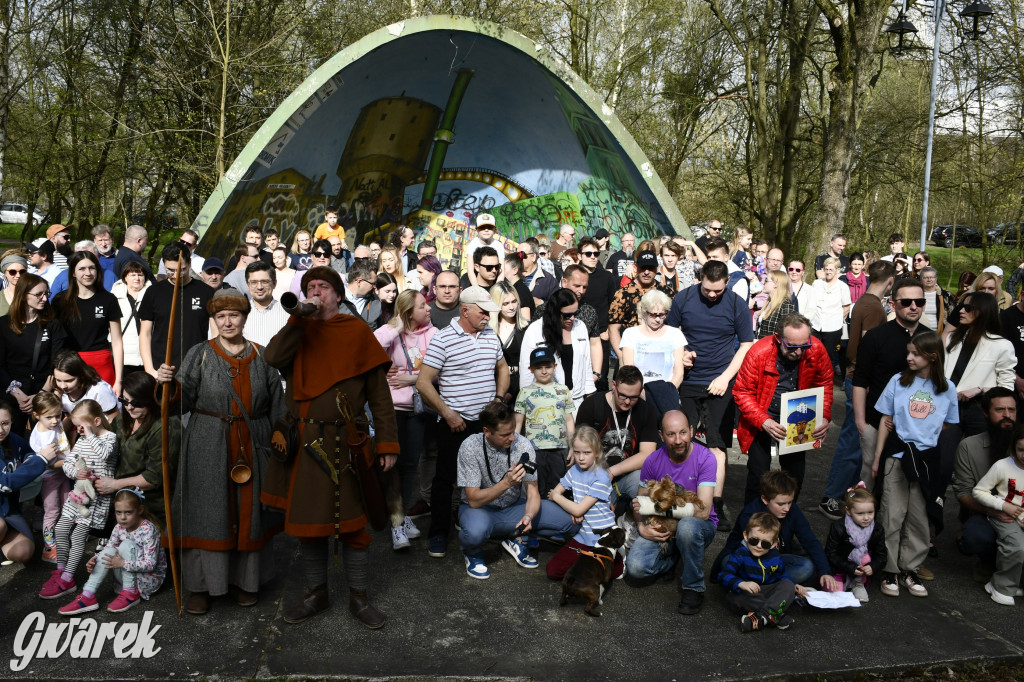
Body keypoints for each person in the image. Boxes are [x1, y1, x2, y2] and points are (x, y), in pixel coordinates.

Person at [156, 288, 285, 615]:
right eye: (221, 317)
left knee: (249, 512)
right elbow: (177, 403)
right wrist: (167, 384)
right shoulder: (199, 353)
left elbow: (278, 408)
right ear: (213, 320)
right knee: (206, 512)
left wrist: (279, 441)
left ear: (245, 317)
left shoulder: (263, 355)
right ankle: (200, 586)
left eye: (234, 315)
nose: (228, 322)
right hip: (207, 444)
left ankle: (246, 582)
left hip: (252, 442)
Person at [416, 286, 509, 559]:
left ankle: (471, 524)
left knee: (481, 478)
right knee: (445, 480)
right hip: (455, 423)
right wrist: (447, 412)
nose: (487, 318)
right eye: (483, 312)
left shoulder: (490, 336)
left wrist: (499, 398)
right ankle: (438, 533)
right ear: (465, 310)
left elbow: (502, 367)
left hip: (485, 425)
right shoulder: (443, 339)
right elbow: (423, 382)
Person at [667, 258, 754, 525]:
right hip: (689, 380)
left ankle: (715, 505)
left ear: (727, 283)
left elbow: (746, 344)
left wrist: (726, 377)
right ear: (699, 280)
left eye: (718, 290)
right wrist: (682, 355)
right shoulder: (683, 299)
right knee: (682, 441)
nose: (713, 294)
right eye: (708, 290)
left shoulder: (737, 304)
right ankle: (681, 499)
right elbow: (670, 335)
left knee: (717, 445)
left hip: (721, 383)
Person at [872, 331, 959, 598]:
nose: (908, 357)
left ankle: (910, 567)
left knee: (920, 517)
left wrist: (925, 435)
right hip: (898, 456)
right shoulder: (898, 381)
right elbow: (885, 421)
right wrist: (878, 458)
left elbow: (946, 423)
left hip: (926, 461)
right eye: (908, 352)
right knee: (892, 513)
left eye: (915, 353)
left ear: (932, 357)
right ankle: (890, 569)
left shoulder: (947, 388)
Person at [457, 401, 578, 579]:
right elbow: (473, 499)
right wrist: (506, 483)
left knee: (571, 522)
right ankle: (473, 553)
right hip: (480, 510)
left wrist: (528, 516)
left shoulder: (522, 444)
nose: (512, 438)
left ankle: (517, 538)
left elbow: (533, 492)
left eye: (513, 431)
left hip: (514, 508)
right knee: (475, 533)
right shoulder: (470, 447)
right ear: (487, 431)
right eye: (505, 434)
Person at [819, 260, 895, 519]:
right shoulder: (873, 306)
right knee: (853, 441)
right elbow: (870, 346)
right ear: (891, 281)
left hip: (856, 376)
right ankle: (831, 495)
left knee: (855, 441)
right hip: (860, 378)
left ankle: (843, 493)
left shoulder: (863, 301)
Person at [624, 410, 718, 615]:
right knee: (636, 569)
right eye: (671, 434)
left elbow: (703, 511)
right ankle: (675, 558)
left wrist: (659, 509)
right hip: (663, 527)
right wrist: (641, 527)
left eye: (683, 432)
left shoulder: (706, 458)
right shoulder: (652, 460)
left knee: (687, 528)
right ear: (661, 435)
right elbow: (640, 501)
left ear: (692, 431)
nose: (678, 440)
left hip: (698, 527)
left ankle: (693, 587)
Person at [734, 313, 833, 503]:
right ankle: (753, 521)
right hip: (762, 416)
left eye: (804, 345)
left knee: (794, 474)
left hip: (797, 415)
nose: (798, 352)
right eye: (792, 346)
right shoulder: (759, 352)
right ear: (778, 338)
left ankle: (787, 519)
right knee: (758, 474)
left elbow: (825, 383)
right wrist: (764, 420)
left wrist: (824, 415)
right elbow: (742, 391)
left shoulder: (816, 349)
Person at [374, 289, 437, 550]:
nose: (429, 308)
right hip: (393, 409)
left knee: (411, 465)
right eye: (423, 306)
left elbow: (441, 369)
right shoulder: (392, 333)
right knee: (393, 465)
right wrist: (396, 326)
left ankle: (404, 517)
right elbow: (370, 346)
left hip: (419, 408)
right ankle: (396, 522)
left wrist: (414, 378)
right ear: (410, 311)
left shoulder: (433, 334)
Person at [38, 399, 119, 600]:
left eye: (82, 425)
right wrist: (75, 472)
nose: (79, 429)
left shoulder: (110, 438)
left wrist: (90, 435)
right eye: (77, 426)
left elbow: (103, 455)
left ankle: (68, 578)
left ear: (97, 421)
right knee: (61, 529)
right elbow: (68, 463)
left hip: (95, 500)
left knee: (77, 537)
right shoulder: (82, 440)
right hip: (77, 496)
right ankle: (61, 569)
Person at [852, 278, 929, 485]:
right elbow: (860, 380)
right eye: (906, 302)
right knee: (871, 483)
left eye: (919, 302)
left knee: (908, 485)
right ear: (893, 305)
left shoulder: (930, 338)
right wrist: (861, 424)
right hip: (876, 423)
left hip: (917, 428)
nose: (914, 306)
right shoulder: (876, 337)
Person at [711, 470, 837, 593]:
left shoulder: (793, 510)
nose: (786, 508)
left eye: (790, 502)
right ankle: (774, 587)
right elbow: (751, 551)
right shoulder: (750, 513)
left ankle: (765, 588)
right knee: (727, 562)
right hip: (746, 559)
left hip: (774, 561)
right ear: (765, 499)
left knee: (807, 566)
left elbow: (810, 540)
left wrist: (825, 572)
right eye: (781, 504)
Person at [58, 487, 167, 615]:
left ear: (140, 510)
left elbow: (150, 564)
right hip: (126, 576)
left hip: (147, 580)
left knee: (127, 544)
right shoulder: (118, 527)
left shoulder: (148, 530)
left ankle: (130, 594)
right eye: (118, 512)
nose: (123, 517)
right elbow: (108, 549)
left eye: (128, 512)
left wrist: (122, 564)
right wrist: (95, 560)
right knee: (109, 550)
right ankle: (87, 595)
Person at [94, 371, 179, 533]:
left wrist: (114, 485)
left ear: (152, 400)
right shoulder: (123, 419)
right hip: (122, 505)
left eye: (137, 402)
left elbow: (154, 478)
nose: (129, 406)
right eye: (124, 401)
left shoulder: (165, 427)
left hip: (152, 509)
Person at [574, 365, 658, 513]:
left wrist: (612, 471)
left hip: (627, 475)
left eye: (633, 397)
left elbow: (647, 454)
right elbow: (580, 453)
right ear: (614, 385)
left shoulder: (646, 410)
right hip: (594, 478)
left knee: (645, 482)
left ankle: (636, 521)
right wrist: (601, 479)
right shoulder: (592, 406)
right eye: (623, 395)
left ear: (641, 390)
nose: (627, 402)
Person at [543, 425, 622, 580]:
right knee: (553, 571)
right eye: (577, 452)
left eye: (587, 453)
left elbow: (558, 495)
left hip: (603, 539)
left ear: (597, 452)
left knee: (593, 577)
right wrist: (571, 508)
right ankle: (586, 562)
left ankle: (618, 561)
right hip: (583, 535)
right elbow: (558, 493)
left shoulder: (601, 477)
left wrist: (561, 499)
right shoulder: (574, 471)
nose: (581, 458)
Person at [0, 273, 68, 436]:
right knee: (11, 442)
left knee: (48, 441)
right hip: (12, 395)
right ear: (23, 296)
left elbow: (57, 363)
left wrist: (42, 394)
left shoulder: (53, 325)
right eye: (39, 294)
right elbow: (0, 364)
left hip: (43, 393)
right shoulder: (3, 324)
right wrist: (18, 394)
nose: (44, 298)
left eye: (46, 294)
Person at [943, 292, 1015, 438]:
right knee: (945, 457)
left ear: (983, 311)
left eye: (968, 308)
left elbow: (1007, 387)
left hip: (979, 409)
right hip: (947, 405)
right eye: (962, 307)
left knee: (978, 456)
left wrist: (980, 390)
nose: (961, 311)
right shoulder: (951, 338)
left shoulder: (1002, 345)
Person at [718, 513, 805, 632]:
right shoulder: (740, 554)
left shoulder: (775, 556)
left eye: (765, 543)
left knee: (788, 585)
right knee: (737, 598)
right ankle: (776, 615)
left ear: (774, 544)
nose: (758, 546)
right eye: (754, 541)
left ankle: (760, 618)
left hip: (766, 591)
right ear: (746, 536)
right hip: (747, 593)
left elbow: (781, 575)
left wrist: (794, 585)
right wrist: (742, 583)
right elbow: (723, 575)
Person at [138, 242, 214, 377]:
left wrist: (209, 364)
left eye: (181, 269)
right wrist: (150, 370)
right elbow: (145, 333)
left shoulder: (206, 292)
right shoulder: (154, 292)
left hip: (197, 369)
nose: (176, 274)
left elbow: (215, 333)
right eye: (170, 270)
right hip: (162, 369)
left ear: (190, 263)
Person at [53, 251, 124, 391]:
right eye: (82, 269)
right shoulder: (60, 301)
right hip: (69, 367)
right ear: (73, 273)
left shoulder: (108, 299)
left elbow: (117, 341)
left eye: (92, 268)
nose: (88, 273)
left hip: (101, 364)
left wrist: (119, 380)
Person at [971, 423, 1024, 606]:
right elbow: (979, 491)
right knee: (1016, 546)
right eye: (1021, 450)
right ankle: (1001, 586)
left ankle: (1016, 582)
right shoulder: (1002, 466)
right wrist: (1002, 505)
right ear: (1014, 447)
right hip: (1006, 516)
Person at [0, 398, 57, 564]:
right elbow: (5, 484)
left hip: (9, 511)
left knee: (24, 552)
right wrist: (40, 461)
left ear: (12, 421)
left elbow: (28, 452)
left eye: (5, 423)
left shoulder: (13, 439)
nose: (1, 429)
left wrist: (31, 459)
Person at [514, 346, 575, 499]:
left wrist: (573, 446)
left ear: (555, 367)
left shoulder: (563, 390)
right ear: (530, 369)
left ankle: (557, 520)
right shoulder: (524, 392)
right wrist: (515, 448)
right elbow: (518, 423)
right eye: (538, 367)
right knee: (536, 489)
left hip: (560, 449)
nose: (544, 371)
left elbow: (569, 420)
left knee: (559, 488)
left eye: (548, 366)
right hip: (534, 450)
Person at [518, 288, 594, 411]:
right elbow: (526, 370)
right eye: (567, 315)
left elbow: (587, 363)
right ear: (555, 312)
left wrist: (590, 396)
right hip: (546, 402)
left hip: (577, 400)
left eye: (576, 313)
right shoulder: (535, 330)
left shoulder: (581, 327)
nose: (572, 318)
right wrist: (527, 404)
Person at [824, 484, 886, 603]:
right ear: (848, 510)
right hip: (838, 568)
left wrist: (872, 566)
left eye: (870, 512)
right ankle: (838, 580)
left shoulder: (877, 529)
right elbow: (831, 553)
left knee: (865, 557)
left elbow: (881, 555)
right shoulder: (839, 527)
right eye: (860, 514)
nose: (866, 518)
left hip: (861, 570)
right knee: (835, 595)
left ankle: (859, 584)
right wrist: (850, 567)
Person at [30, 392, 72, 563]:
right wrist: (72, 461)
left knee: (67, 506)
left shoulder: (52, 426)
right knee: (52, 511)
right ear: (36, 415)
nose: (55, 421)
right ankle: (49, 548)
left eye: (58, 415)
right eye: (49, 417)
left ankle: (62, 540)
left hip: (63, 474)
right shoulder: (43, 437)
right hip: (50, 477)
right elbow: (48, 463)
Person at [608, 251, 674, 354]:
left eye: (650, 268)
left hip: (660, 351)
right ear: (636, 268)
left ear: (656, 268)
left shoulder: (667, 292)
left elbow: (674, 325)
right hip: (631, 352)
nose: (646, 272)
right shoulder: (622, 294)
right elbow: (613, 328)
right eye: (643, 267)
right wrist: (622, 357)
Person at [619, 289, 686, 387]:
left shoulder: (675, 334)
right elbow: (629, 371)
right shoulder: (630, 334)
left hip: (667, 393)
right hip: (639, 393)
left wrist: (668, 392)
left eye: (662, 314)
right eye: (653, 315)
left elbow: (679, 373)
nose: (658, 319)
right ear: (644, 311)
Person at [810, 257, 851, 377]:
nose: (828, 272)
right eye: (826, 269)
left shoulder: (842, 287)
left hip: (833, 327)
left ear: (837, 270)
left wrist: (836, 318)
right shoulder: (817, 283)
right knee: (812, 355)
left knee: (828, 357)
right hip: (816, 325)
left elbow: (846, 307)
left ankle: (826, 383)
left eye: (831, 269)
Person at [490, 281, 529, 402]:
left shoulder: (526, 328)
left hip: (520, 387)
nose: (511, 307)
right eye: (505, 303)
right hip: (492, 387)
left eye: (514, 301)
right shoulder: (487, 330)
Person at [53, 350, 119, 421]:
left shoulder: (99, 390)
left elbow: (115, 419)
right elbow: (70, 419)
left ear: (81, 375)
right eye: (58, 380)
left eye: (69, 381)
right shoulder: (61, 393)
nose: (63, 386)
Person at [111, 261, 150, 375]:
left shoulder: (153, 296)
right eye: (133, 275)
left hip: (147, 355)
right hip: (123, 355)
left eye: (140, 275)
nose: (137, 278)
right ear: (125, 277)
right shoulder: (114, 297)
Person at [243, 261, 290, 347]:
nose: (259, 287)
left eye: (265, 282)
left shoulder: (288, 313)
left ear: (274, 284)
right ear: (247, 285)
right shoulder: (239, 314)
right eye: (254, 282)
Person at [338, 261, 383, 330]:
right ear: (359, 282)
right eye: (373, 283)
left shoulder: (375, 301)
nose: (375, 287)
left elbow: (379, 331)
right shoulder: (335, 298)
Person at [465, 214, 505, 286]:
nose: (486, 230)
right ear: (476, 230)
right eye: (482, 227)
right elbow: (470, 271)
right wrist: (477, 289)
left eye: (490, 227)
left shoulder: (498, 245)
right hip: (474, 280)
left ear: (495, 230)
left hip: (493, 280)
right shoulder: (472, 244)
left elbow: (501, 271)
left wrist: (497, 289)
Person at [755, 270, 795, 339]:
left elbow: (786, 335)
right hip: (760, 346)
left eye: (766, 280)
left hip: (773, 348)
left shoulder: (786, 306)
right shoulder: (769, 302)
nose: (763, 283)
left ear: (776, 284)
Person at [501, 252, 534, 321]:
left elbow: (525, 320)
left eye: (504, 269)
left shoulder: (522, 291)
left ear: (515, 270)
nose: (501, 272)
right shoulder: (513, 288)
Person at [919, 266, 951, 333]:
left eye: (932, 277)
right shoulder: (916, 295)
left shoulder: (945, 296)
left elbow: (952, 315)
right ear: (921, 279)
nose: (929, 279)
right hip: (920, 333)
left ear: (936, 278)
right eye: (926, 277)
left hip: (940, 333)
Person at [0, 252, 27, 316]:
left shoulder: (34, 295)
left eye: (22, 271)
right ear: (5, 273)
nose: (18, 275)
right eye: (12, 272)